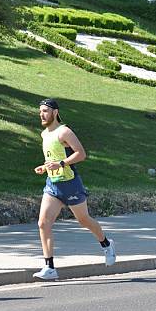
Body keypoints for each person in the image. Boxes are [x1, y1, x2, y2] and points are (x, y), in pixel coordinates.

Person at [33, 98, 116, 280]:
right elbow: (52, 158)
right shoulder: (44, 134)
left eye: (45, 111)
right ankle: (50, 267)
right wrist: (45, 167)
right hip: (53, 185)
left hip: (71, 184)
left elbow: (81, 154)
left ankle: (107, 245)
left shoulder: (64, 132)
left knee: (84, 220)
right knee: (43, 223)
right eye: (40, 111)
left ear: (55, 112)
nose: (42, 114)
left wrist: (61, 163)